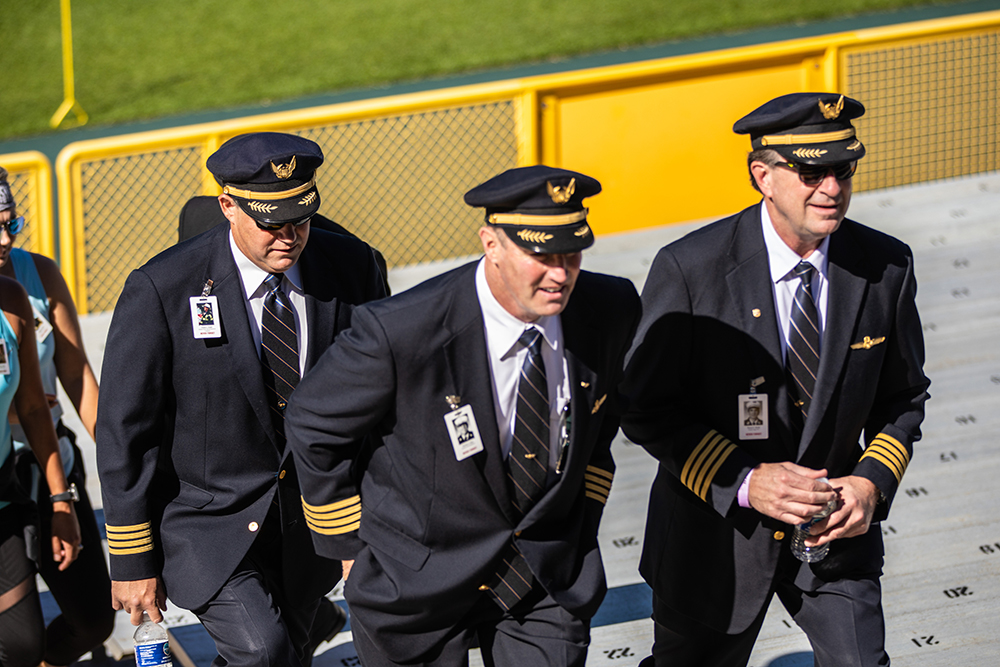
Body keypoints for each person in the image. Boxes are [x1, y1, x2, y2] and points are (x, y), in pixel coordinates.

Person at [286, 165, 640, 666]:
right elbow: (313, 422)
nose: (560, 274)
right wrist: (348, 542)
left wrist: (579, 520)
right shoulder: (401, 331)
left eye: (572, 252)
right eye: (540, 255)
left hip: (542, 578)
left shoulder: (609, 306)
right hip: (415, 586)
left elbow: (604, 420)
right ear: (491, 243)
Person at [621, 93, 930, 667]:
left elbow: (903, 399)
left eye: (843, 169)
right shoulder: (690, 270)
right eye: (811, 172)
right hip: (715, 541)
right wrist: (744, 479)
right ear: (762, 175)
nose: (832, 188)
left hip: (835, 537)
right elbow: (644, 407)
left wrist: (868, 484)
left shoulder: (887, 265)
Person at [96, 132, 387, 667]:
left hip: (315, 525)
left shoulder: (353, 268)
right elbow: (124, 430)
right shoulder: (163, 288)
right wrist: (132, 558)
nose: (289, 236)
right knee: (262, 650)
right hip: (210, 523)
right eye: (270, 221)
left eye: (300, 218)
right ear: (228, 207)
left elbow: (383, 402)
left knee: (286, 652)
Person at [0, 167, 114, 666]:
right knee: (16, 636)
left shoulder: (36, 276)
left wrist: (122, 463)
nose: (6, 238)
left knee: (93, 620)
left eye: (12, 223)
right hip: (7, 475)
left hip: (49, 466)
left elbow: (79, 378)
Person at [0, 194, 82, 665]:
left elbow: (37, 404)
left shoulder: (14, 296)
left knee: (29, 644)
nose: (7, 239)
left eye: (13, 224)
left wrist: (60, 499)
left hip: (20, 479)